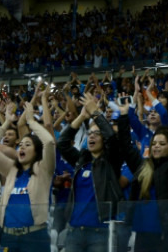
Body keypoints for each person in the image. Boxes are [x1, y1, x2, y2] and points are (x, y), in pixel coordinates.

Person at [56, 93, 125, 252]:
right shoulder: (82, 160)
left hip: (99, 231)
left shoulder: (110, 161)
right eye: (89, 134)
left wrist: (96, 113)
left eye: (96, 133)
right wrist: (81, 117)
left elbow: (112, 140)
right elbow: (63, 143)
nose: (91, 136)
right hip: (74, 230)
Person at [0, 102, 55, 252]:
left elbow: (49, 142)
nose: (21, 147)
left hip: (34, 237)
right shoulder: (12, 169)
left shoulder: (44, 169)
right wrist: (6, 123)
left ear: (37, 151)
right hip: (8, 237)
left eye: (28, 145)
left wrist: (31, 122)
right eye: (20, 144)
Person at [118, 105, 168, 252]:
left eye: (162, 144)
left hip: (166, 236)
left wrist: (160, 108)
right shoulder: (143, 167)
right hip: (142, 235)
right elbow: (125, 146)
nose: (156, 147)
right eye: (154, 143)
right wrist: (124, 116)